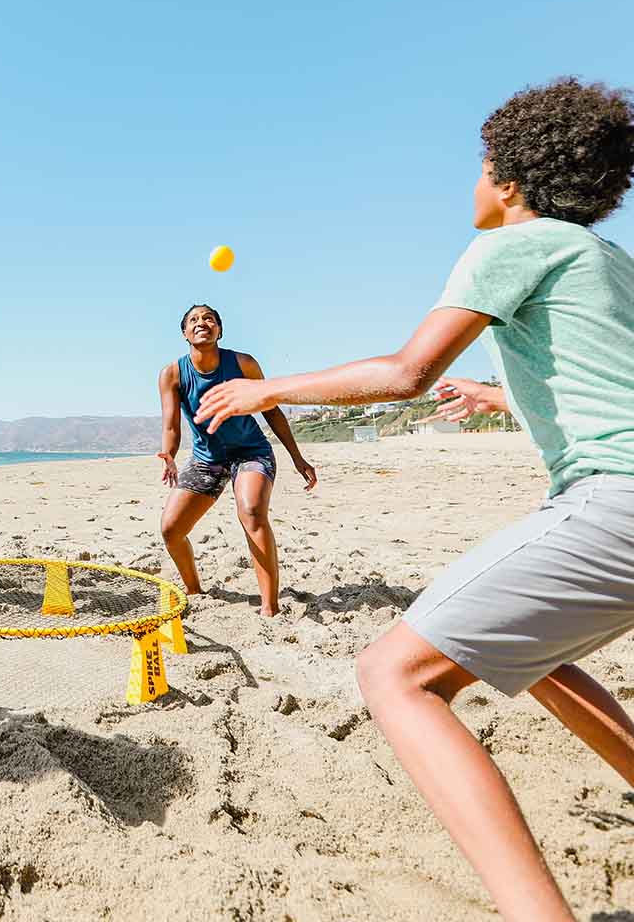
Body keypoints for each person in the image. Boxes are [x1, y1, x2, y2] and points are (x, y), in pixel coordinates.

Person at [194, 78, 634, 921]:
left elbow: (405, 373)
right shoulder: (606, 262)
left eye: (478, 165)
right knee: (527, 652)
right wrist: (500, 397)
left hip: (611, 504)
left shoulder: (514, 241)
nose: (472, 181)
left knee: (395, 674)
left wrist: (267, 388)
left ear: (508, 179)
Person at [158, 304, 317, 616]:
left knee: (252, 512)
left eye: (209, 319)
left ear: (219, 330)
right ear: (184, 334)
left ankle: (269, 607)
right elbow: (171, 425)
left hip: (251, 453)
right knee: (171, 529)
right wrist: (169, 455)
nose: (201, 322)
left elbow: (271, 410)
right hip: (207, 459)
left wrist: (297, 458)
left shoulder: (243, 363)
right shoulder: (173, 374)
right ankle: (194, 590)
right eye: (193, 320)